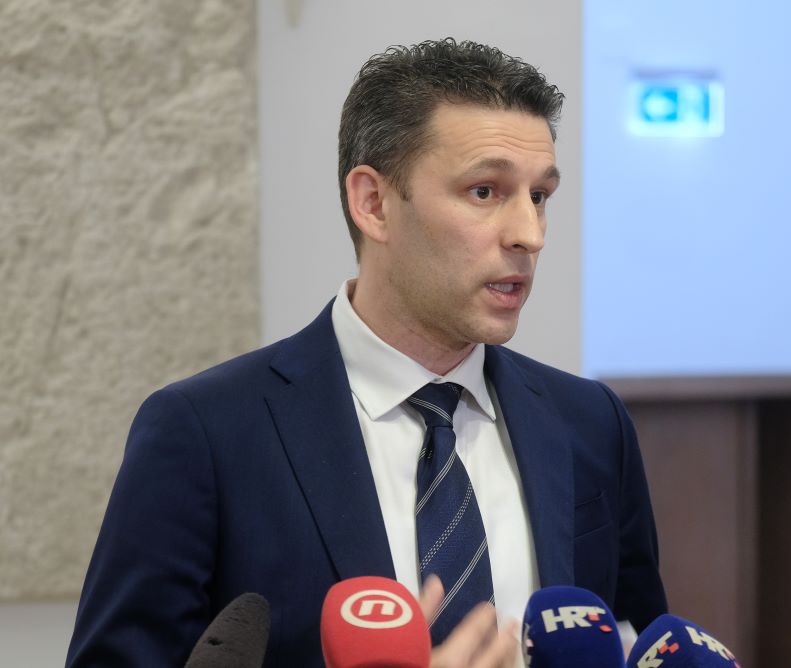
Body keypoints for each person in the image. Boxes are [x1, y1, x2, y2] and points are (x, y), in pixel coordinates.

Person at [67, 38, 667, 667]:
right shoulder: (206, 433)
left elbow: (644, 640)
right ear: (373, 204)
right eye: (485, 191)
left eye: (539, 196)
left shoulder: (590, 423)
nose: (529, 234)